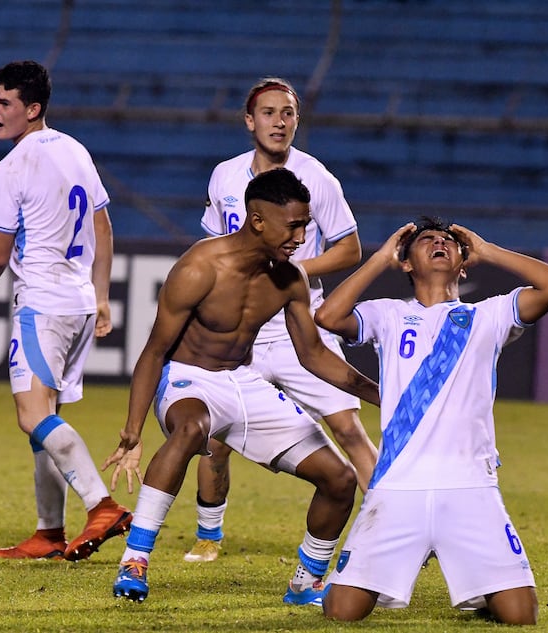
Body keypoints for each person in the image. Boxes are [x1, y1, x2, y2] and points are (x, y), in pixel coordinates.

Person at [104, 168, 380, 605]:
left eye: (306, 224)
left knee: (340, 479)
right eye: (293, 225)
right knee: (192, 428)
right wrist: (133, 432)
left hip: (242, 382)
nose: (302, 235)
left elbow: (314, 356)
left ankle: (306, 581)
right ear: (257, 220)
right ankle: (135, 560)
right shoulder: (199, 267)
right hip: (188, 379)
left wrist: (383, 395)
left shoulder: (291, 279)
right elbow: (154, 350)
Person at [314, 217, 548, 625]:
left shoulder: (490, 315)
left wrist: (488, 250)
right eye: (427, 240)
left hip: (470, 486)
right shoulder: (388, 315)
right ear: (407, 263)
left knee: (521, 616)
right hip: (398, 484)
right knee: (342, 613)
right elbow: (328, 316)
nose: (439, 243)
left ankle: (481, 587)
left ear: (463, 263)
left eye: (449, 241)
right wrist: (379, 258)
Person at [186, 76, 377, 563]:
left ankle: (391, 531)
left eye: (288, 113)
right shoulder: (225, 177)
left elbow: (350, 248)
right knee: (214, 436)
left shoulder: (318, 178)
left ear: (297, 121)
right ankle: (208, 538)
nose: (279, 122)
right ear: (250, 121)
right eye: (269, 113)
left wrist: (293, 271)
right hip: (242, 329)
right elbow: (210, 247)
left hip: (299, 326)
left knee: (350, 429)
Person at [0, 61, 130, 561]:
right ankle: (48, 532)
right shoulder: (74, 149)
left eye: (5, 103)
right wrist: (100, 295)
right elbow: (103, 226)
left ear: (32, 109)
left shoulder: (12, 168)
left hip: (43, 302)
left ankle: (102, 506)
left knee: (31, 414)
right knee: (48, 420)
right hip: (77, 302)